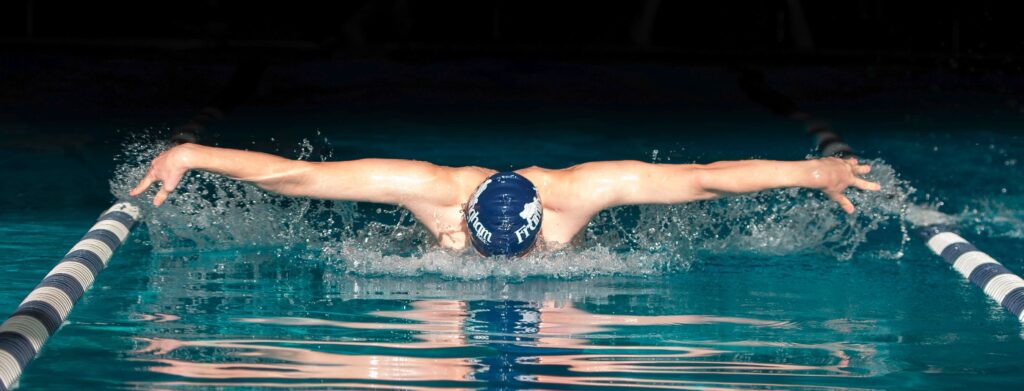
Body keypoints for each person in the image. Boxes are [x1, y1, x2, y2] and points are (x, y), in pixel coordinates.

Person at [130, 143, 880, 257]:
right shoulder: (432, 193)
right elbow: (301, 177)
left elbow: (701, 178)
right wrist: (192, 155)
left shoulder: (576, 195)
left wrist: (814, 173)